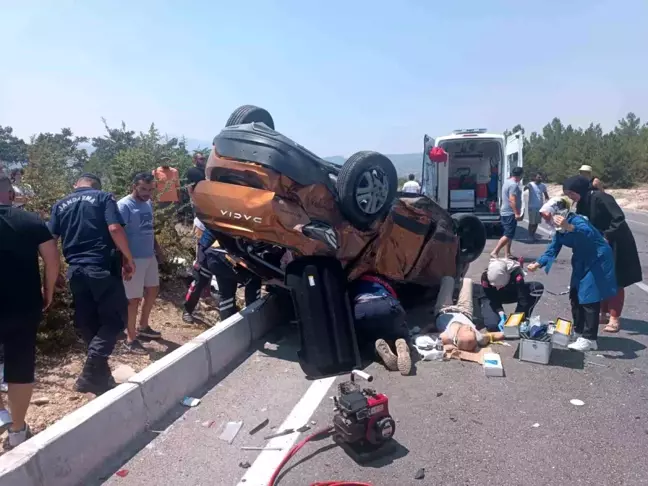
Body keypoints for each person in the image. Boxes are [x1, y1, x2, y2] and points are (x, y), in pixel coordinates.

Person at [49, 173, 135, 394]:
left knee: (89, 322)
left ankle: (100, 378)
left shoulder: (60, 205)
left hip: (75, 271)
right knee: (116, 320)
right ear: (97, 185)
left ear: (75, 184)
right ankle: (89, 371)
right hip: (102, 268)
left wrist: (54, 269)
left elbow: (50, 239)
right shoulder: (103, 198)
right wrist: (128, 257)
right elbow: (115, 229)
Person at [0, 175, 59, 447]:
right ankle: (17, 430)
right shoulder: (31, 221)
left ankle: (1, 415)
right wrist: (48, 292)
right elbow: (52, 260)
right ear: (10, 193)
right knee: (20, 365)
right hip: (23, 305)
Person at [528, 195, 617, 352]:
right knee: (575, 294)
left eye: (547, 215)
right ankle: (579, 331)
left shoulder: (576, 221)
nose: (546, 220)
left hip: (597, 259)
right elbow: (553, 249)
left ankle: (590, 339)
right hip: (582, 259)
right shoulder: (559, 230)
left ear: (558, 212)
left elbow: (588, 233)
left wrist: (569, 227)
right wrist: (538, 263)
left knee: (589, 297)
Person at [563, 175, 642, 332]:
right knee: (599, 276)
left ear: (579, 190)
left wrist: (607, 235)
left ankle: (614, 318)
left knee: (615, 280)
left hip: (615, 241)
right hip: (598, 243)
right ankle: (603, 313)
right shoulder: (582, 203)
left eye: (571, 193)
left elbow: (618, 218)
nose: (570, 197)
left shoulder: (601, 198)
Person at [117, 173, 164, 353]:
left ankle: (143, 327)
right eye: (143, 189)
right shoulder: (124, 205)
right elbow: (117, 233)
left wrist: (157, 250)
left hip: (148, 255)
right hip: (133, 258)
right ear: (134, 186)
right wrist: (125, 261)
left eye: (150, 190)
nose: (147, 193)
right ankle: (130, 338)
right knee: (133, 299)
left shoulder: (148, 203)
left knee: (153, 290)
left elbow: (149, 228)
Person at [183, 228, 261, 322]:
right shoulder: (217, 221)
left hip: (223, 257)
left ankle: (229, 321)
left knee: (227, 292)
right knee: (199, 281)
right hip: (212, 254)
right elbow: (206, 238)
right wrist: (200, 260)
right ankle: (187, 310)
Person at [350, 275, 411, 375]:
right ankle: (402, 343)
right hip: (387, 304)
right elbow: (394, 296)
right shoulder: (380, 280)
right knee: (399, 330)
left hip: (362, 309)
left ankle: (376, 350)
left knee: (365, 339)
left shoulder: (352, 284)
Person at [426, 276, 504, 352]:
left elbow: (423, 337)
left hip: (444, 310)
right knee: (467, 281)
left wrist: (427, 329)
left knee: (448, 279)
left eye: (468, 331)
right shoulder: (478, 337)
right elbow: (495, 335)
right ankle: (458, 283)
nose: (470, 328)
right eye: (472, 332)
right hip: (465, 311)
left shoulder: (447, 336)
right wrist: (511, 331)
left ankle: (453, 284)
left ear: (457, 337)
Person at [481, 258, 545, 331]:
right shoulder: (485, 278)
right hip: (492, 298)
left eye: (500, 285)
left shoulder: (516, 275)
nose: (498, 288)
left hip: (510, 292)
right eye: (494, 286)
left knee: (537, 288)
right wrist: (501, 314)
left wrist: (516, 318)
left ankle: (523, 319)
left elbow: (522, 298)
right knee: (492, 326)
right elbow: (492, 298)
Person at [491, 167, 524, 259]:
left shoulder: (507, 182)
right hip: (509, 212)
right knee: (508, 234)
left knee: (509, 234)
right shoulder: (513, 185)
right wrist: (516, 213)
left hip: (505, 211)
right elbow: (512, 200)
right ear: (520, 175)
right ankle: (495, 251)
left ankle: (507, 253)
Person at [523, 172, 549, 240]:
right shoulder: (531, 184)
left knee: (536, 222)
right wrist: (526, 187)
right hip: (532, 206)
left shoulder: (543, 186)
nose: (540, 178)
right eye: (538, 177)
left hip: (540, 207)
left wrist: (548, 203)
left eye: (541, 177)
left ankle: (533, 236)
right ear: (535, 178)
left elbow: (546, 195)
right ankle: (530, 236)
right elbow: (524, 189)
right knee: (532, 222)